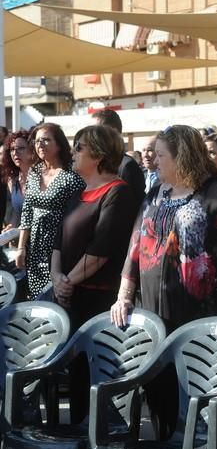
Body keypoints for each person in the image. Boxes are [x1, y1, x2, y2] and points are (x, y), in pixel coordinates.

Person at [110, 125, 217, 439]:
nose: (153, 161)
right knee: (159, 384)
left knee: (194, 387)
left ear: (180, 156)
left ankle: (196, 444)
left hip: (198, 311)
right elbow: (136, 242)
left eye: (160, 155)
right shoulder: (157, 191)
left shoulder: (214, 190)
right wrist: (124, 294)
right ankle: (166, 440)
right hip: (155, 308)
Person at [51, 125, 138, 424]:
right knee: (75, 372)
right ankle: (77, 430)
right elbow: (58, 239)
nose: (72, 153)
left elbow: (102, 248)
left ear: (99, 155)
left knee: (94, 371)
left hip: (97, 299)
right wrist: (56, 277)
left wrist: (67, 281)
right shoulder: (77, 192)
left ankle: (97, 434)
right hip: (70, 295)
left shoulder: (118, 192)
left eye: (79, 147)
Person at [16, 123, 86, 299]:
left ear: (59, 144)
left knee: (57, 296)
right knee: (36, 297)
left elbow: (78, 215)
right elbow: (27, 211)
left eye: (46, 140)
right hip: (35, 247)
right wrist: (21, 247)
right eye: (38, 141)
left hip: (60, 247)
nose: (40, 144)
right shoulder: (34, 171)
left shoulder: (72, 175)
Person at [91, 109, 146, 209]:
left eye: (96, 130)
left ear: (114, 131)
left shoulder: (127, 166)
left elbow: (136, 207)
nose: (91, 135)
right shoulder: (95, 164)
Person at [3, 130, 35, 230]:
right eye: (12, 149)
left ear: (32, 150)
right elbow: (18, 213)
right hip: (22, 240)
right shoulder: (12, 180)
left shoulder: (44, 176)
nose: (15, 153)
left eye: (20, 148)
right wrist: (11, 226)